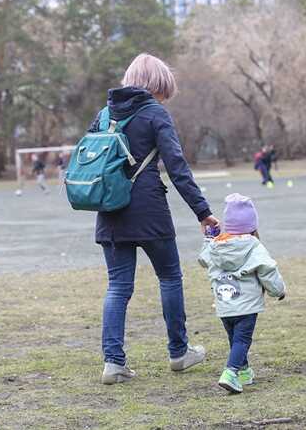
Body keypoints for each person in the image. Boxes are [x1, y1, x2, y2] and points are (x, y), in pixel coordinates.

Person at [93, 53, 220, 385]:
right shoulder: (154, 113)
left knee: (118, 286)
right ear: (157, 86)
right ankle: (179, 352)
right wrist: (203, 212)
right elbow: (177, 168)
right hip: (148, 210)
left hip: (109, 211)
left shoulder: (104, 115)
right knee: (169, 277)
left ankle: (113, 363)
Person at [198, 193, 286, 394]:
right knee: (242, 340)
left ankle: (244, 372)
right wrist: (279, 291)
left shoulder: (215, 245)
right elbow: (268, 270)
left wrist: (208, 238)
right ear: (252, 225)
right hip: (246, 306)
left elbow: (203, 259)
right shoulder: (254, 245)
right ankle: (230, 373)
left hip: (224, 303)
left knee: (235, 339)